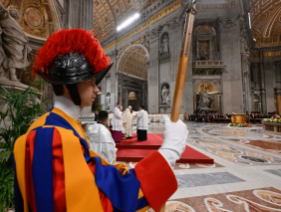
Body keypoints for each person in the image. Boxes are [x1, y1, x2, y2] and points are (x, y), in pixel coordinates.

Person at [13, 28, 188, 212]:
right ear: (67, 85)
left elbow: (94, 176)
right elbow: (100, 204)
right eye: (90, 82)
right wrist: (169, 152)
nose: (97, 90)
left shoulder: (56, 126)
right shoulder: (53, 137)